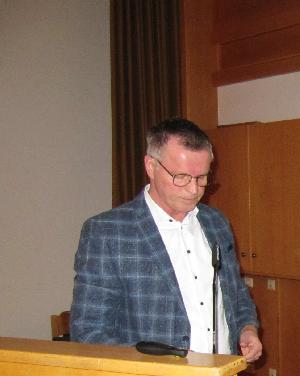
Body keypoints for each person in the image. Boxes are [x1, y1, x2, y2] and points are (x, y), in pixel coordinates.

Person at [71, 117, 262, 362]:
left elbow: (236, 294)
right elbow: (89, 330)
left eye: (202, 177)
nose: (193, 189)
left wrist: (246, 328)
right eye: (181, 177)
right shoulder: (108, 232)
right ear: (151, 166)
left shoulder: (216, 223)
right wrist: (161, 364)